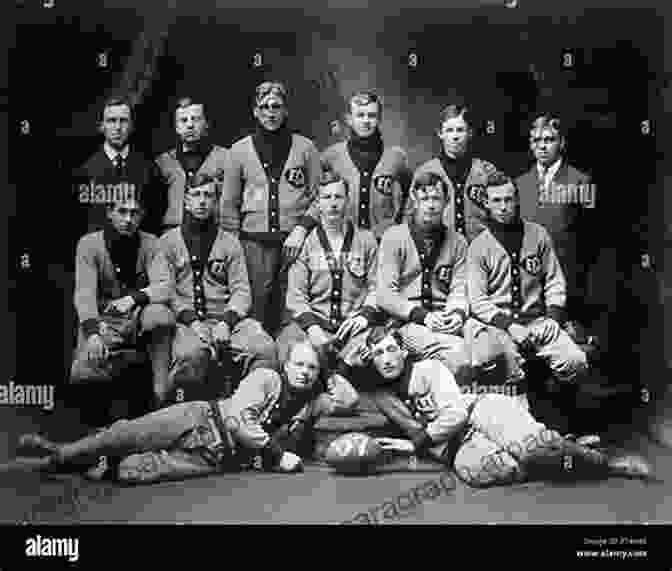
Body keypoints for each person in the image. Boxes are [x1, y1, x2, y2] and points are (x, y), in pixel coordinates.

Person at [360, 326, 652, 487]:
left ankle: (603, 462)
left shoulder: (428, 368)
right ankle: (563, 446)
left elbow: (457, 414)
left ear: (402, 351)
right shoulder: (380, 395)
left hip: (479, 413)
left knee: (532, 449)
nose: (385, 358)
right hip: (457, 446)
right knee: (490, 472)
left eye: (390, 349)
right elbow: (344, 376)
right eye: (377, 354)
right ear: (370, 360)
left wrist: (417, 444)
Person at [16, 342, 341, 484]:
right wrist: (276, 453)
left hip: (214, 457)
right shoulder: (267, 377)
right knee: (124, 435)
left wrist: (327, 375)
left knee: (133, 472)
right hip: (201, 417)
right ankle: (58, 454)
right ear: (287, 365)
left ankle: (89, 463)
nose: (304, 372)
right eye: (299, 364)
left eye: (312, 368)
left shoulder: (310, 403)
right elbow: (239, 421)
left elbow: (350, 399)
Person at [466, 170, 588, 396]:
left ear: (517, 200)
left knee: (575, 362)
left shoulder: (538, 234)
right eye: (496, 201)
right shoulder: (478, 247)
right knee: (506, 370)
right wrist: (509, 326)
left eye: (508, 200)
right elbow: (477, 300)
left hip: (537, 322)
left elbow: (554, 281)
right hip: (499, 326)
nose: (503, 207)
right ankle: (526, 424)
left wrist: (553, 318)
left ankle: (562, 420)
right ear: (486, 203)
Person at [159, 173, 277, 405]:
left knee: (265, 348)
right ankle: (186, 414)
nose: (202, 201)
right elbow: (167, 292)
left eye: (208, 196)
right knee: (190, 355)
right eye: (196, 195)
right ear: (186, 200)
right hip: (185, 323)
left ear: (216, 201)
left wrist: (226, 321)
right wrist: (193, 322)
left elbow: (242, 291)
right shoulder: (167, 242)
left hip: (225, 321)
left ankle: (247, 408)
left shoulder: (230, 242)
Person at [220, 81, 321, 334]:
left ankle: (292, 362)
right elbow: (229, 205)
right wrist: (234, 248)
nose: (271, 112)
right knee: (255, 310)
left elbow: (320, 196)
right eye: (264, 107)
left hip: (295, 243)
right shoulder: (238, 151)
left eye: (276, 106)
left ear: (285, 110)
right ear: (255, 111)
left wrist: (301, 229)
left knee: (293, 309)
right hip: (253, 245)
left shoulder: (305, 148)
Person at [277, 168, 379, 413]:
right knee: (290, 349)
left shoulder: (366, 240)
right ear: (317, 203)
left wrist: (364, 316)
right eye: (326, 198)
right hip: (316, 326)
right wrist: (313, 329)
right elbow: (296, 297)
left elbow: (378, 288)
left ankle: (336, 383)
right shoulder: (307, 243)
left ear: (348, 200)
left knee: (377, 349)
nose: (333, 204)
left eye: (338, 197)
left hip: (351, 328)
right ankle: (312, 398)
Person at [70, 191, 175, 408]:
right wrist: (92, 333)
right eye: (122, 211)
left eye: (134, 213)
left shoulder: (151, 243)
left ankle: (160, 397)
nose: (128, 219)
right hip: (105, 319)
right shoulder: (89, 245)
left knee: (161, 316)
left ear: (142, 215)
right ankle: (101, 414)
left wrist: (133, 298)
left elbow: (166, 286)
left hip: (138, 317)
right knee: (82, 373)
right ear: (109, 212)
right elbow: (84, 293)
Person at [376, 171, 472, 385]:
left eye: (436, 198)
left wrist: (456, 314)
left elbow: (459, 288)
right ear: (414, 199)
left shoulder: (458, 242)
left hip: (445, 319)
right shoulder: (395, 236)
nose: (431, 205)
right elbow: (384, 295)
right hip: (406, 322)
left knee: (486, 348)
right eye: (425, 198)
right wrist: (423, 316)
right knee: (458, 356)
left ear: (447, 201)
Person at [515, 113, 597, 337]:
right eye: (536, 141)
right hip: (530, 284)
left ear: (561, 143)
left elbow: (593, 241)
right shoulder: (519, 184)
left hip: (569, 282)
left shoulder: (581, 181)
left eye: (549, 140)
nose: (542, 146)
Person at [320, 90, 411, 240]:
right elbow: (315, 196)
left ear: (379, 119)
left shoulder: (396, 157)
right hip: (342, 240)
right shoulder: (331, 156)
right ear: (349, 119)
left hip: (384, 241)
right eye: (360, 115)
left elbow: (411, 195)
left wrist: (400, 224)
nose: (366, 121)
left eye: (372, 115)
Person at [73, 95, 165, 238]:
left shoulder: (149, 168)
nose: (117, 127)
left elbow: (156, 214)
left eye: (123, 121)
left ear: (131, 126)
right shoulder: (86, 170)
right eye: (111, 121)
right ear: (101, 126)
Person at [410, 102, 498, 243]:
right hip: (440, 252)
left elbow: (501, 215)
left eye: (460, 130)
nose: (455, 136)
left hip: (479, 252)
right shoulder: (425, 171)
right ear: (440, 133)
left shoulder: (486, 171)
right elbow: (413, 218)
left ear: (469, 133)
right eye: (449, 130)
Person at [155, 97, 229, 234]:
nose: (190, 125)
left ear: (206, 123)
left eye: (195, 119)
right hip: (172, 235)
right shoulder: (163, 162)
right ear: (177, 127)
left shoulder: (226, 158)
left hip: (213, 233)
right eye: (183, 120)